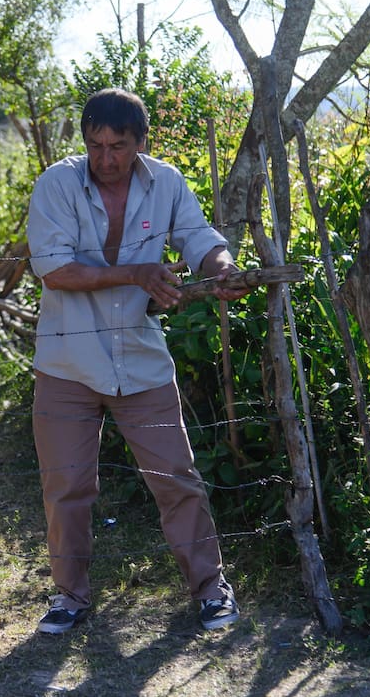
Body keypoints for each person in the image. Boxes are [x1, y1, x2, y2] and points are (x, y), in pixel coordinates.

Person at [25, 88, 249, 634]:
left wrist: (221, 268)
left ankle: (211, 590)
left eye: (118, 146)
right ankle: (70, 598)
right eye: (96, 145)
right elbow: (53, 270)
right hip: (66, 362)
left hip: (140, 361)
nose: (106, 158)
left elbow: (200, 239)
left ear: (140, 143)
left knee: (175, 476)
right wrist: (136, 273)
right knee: (67, 487)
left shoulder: (166, 182)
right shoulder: (57, 184)